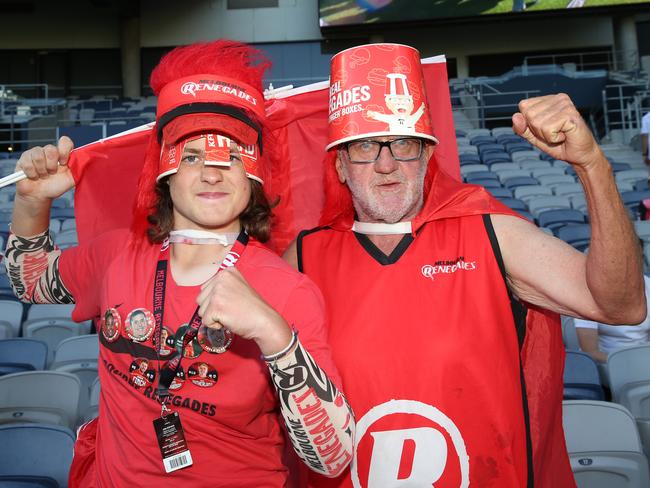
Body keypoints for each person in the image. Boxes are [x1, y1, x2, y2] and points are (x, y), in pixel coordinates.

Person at [284, 43, 646, 487]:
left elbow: (622, 307)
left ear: (426, 155)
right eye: (364, 147)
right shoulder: (303, 258)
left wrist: (592, 166)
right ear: (340, 166)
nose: (386, 164)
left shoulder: (491, 234)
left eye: (403, 143)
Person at [5, 40, 354, 487]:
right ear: (164, 173)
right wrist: (31, 202)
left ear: (255, 175)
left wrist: (274, 335)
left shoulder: (288, 291)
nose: (212, 172)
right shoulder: (118, 254)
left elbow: (333, 458)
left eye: (232, 156)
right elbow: (32, 284)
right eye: (191, 155)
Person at [575, 274, 650, 363]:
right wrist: (628, 364)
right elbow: (590, 352)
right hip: (608, 363)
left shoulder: (647, 284)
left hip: (644, 358)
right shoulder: (588, 291)